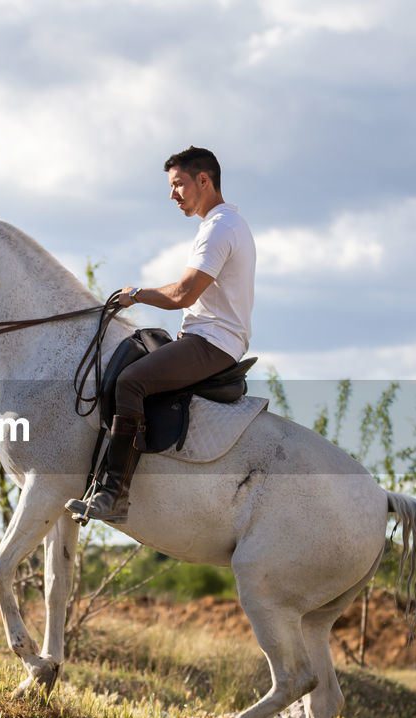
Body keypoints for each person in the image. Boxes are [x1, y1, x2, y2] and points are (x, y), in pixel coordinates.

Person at [67, 146, 257, 523]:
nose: (173, 194)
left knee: (131, 382)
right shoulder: (220, 225)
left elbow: (183, 294)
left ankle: (113, 495)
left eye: (179, 185)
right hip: (205, 338)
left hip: (212, 344)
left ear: (204, 180)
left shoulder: (221, 228)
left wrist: (135, 295)